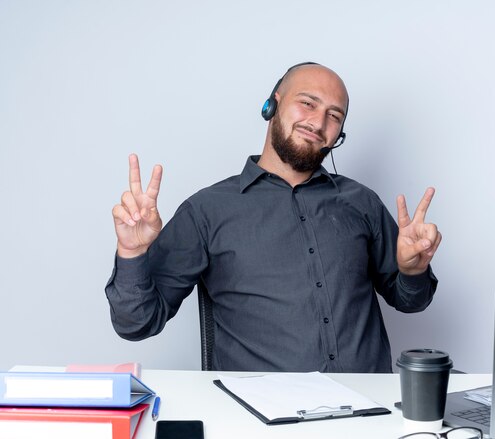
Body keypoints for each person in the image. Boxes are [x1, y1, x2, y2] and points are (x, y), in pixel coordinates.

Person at [105, 62, 442, 373]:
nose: (318, 123)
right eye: (307, 103)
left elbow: (410, 301)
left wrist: (413, 272)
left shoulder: (362, 203)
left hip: (370, 417)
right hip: (261, 423)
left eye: (334, 115)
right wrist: (132, 253)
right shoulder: (207, 211)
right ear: (272, 105)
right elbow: (137, 323)